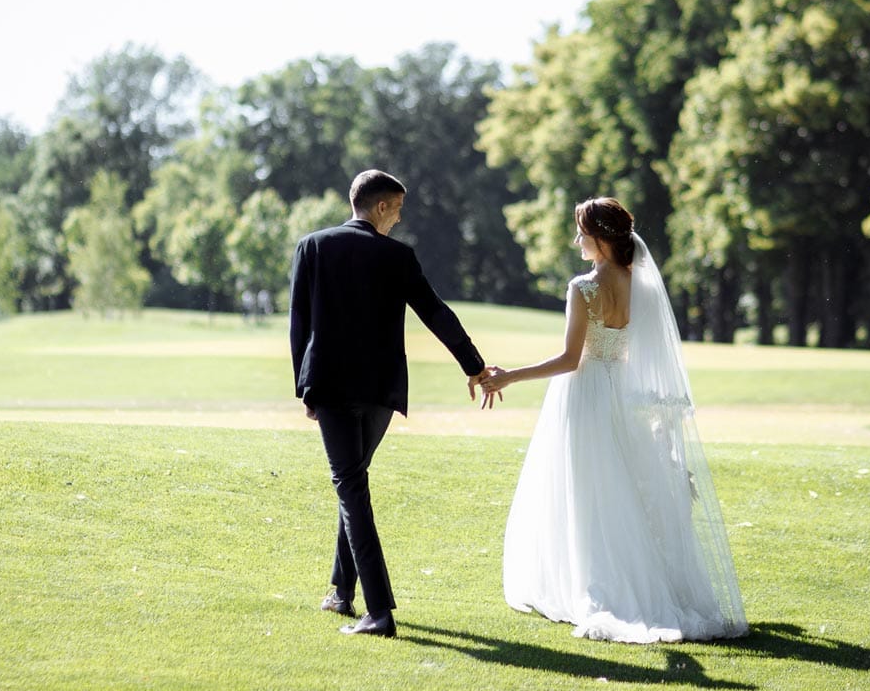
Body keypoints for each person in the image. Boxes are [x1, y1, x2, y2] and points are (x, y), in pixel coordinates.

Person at [480, 197, 749, 643]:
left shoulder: (583, 287)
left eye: (582, 232)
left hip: (583, 395)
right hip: (621, 394)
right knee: (621, 487)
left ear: (600, 238)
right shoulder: (639, 284)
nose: (576, 240)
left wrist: (510, 376)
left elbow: (570, 359)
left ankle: (600, 586)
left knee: (588, 491)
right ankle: (635, 580)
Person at [289, 169, 491, 638]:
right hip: (380, 392)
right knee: (353, 482)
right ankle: (342, 591)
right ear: (381, 206)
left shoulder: (313, 246)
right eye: (397, 208)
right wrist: (473, 365)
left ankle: (378, 611)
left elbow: (298, 324)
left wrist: (304, 387)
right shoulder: (397, 256)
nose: (399, 219)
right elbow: (436, 311)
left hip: (333, 387)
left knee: (350, 486)